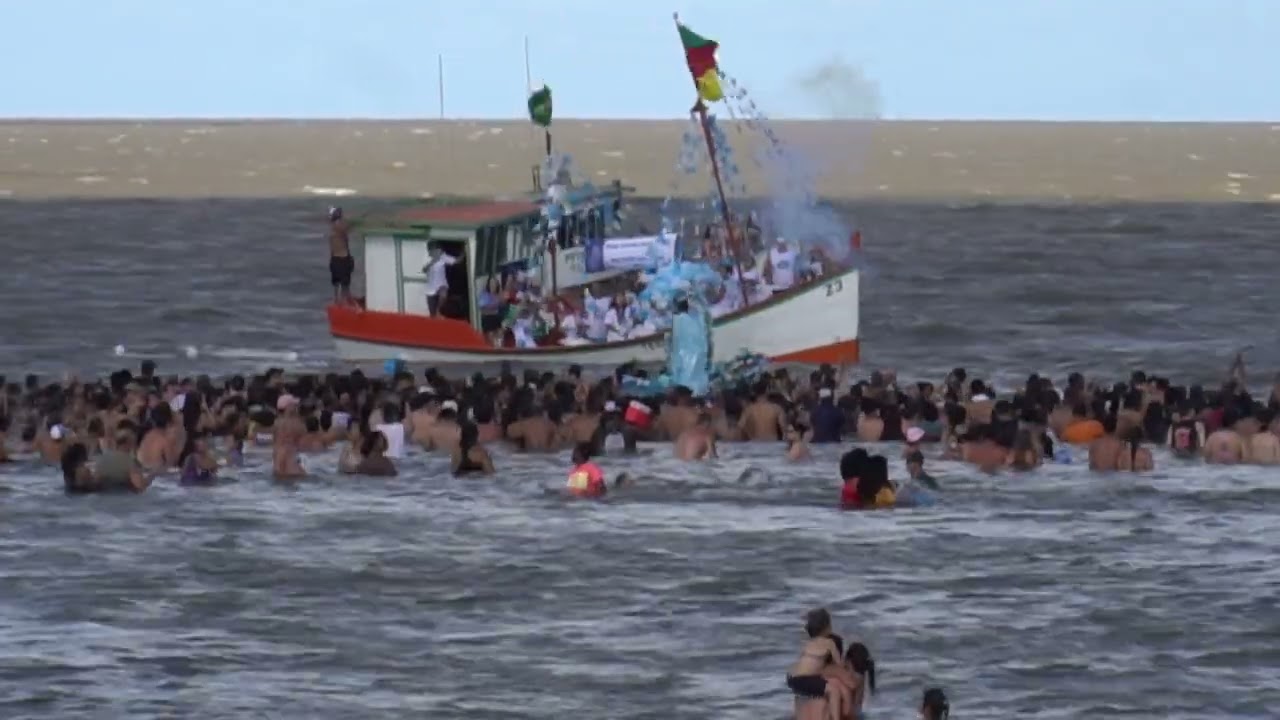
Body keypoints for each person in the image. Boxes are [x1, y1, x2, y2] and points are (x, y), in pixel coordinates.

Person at [785, 608, 852, 720]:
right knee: (833, 690)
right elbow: (839, 664)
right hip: (804, 679)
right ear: (827, 627)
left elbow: (806, 664)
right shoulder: (829, 643)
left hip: (792, 678)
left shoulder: (809, 643)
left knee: (810, 691)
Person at [422, 242, 461, 317]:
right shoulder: (427, 258)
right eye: (435, 251)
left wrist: (464, 253)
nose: (438, 252)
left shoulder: (443, 257)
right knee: (432, 314)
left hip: (441, 284)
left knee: (443, 294)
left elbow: (456, 261)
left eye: (439, 251)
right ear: (430, 251)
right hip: (430, 289)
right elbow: (424, 270)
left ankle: (439, 310)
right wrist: (433, 261)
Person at [327, 206, 355, 303]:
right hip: (342, 258)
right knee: (345, 285)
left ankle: (338, 302)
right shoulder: (339, 227)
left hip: (335, 258)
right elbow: (346, 229)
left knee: (337, 284)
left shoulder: (332, 229)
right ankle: (344, 302)